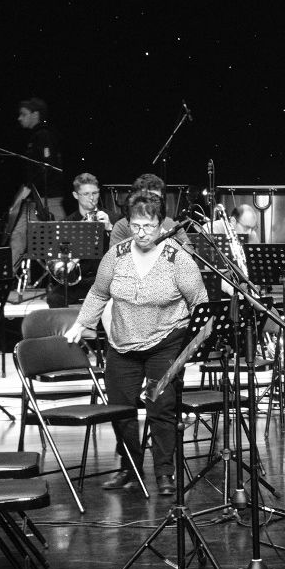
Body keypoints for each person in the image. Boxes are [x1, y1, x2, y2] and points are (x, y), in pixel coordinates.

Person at [64, 193, 207, 497]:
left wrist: (192, 345)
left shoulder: (177, 258)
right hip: (123, 344)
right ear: (128, 224)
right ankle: (130, 468)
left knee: (160, 407)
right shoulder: (116, 255)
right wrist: (81, 323)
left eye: (149, 226)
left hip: (165, 342)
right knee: (121, 410)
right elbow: (99, 293)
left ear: (161, 224)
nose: (142, 233)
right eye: (136, 226)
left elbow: (199, 302)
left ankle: (165, 472)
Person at [6, 97, 64, 268]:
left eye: (23, 114)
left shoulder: (44, 135)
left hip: (48, 198)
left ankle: (64, 276)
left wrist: (28, 187)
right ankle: (7, 276)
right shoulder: (35, 136)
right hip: (34, 198)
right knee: (18, 235)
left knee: (60, 239)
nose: (19, 118)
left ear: (35, 114)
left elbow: (47, 168)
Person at [43, 173, 113, 308]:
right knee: (55, 298)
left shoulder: (113, 217)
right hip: (80, 280)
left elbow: (125, 252)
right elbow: (60, 258)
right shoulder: (66, 223)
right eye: (86, 194)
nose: (91, 198)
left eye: (95, 193)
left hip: (105, 280)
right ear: (76, 195)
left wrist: (110, 228)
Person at [111, 174, 176, 245]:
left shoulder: (172, 224)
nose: (150, 203)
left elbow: (184, 250)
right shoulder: (121, 226)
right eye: (145, 198)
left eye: (155, 198)